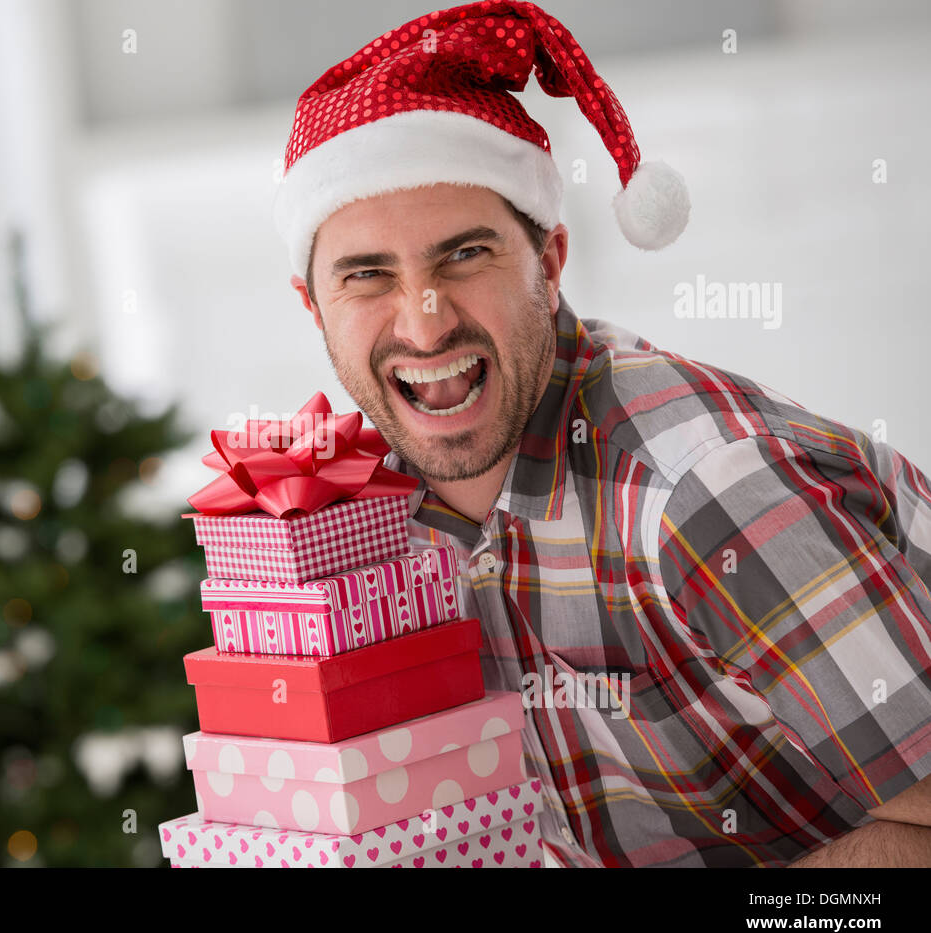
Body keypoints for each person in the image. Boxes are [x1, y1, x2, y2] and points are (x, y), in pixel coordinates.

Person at [273, 1, 931, 867]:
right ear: (313, 307)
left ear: (548, 267)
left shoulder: (700, 491)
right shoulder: (370, 531)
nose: (424, 324)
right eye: (368, 276)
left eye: (463, 256)